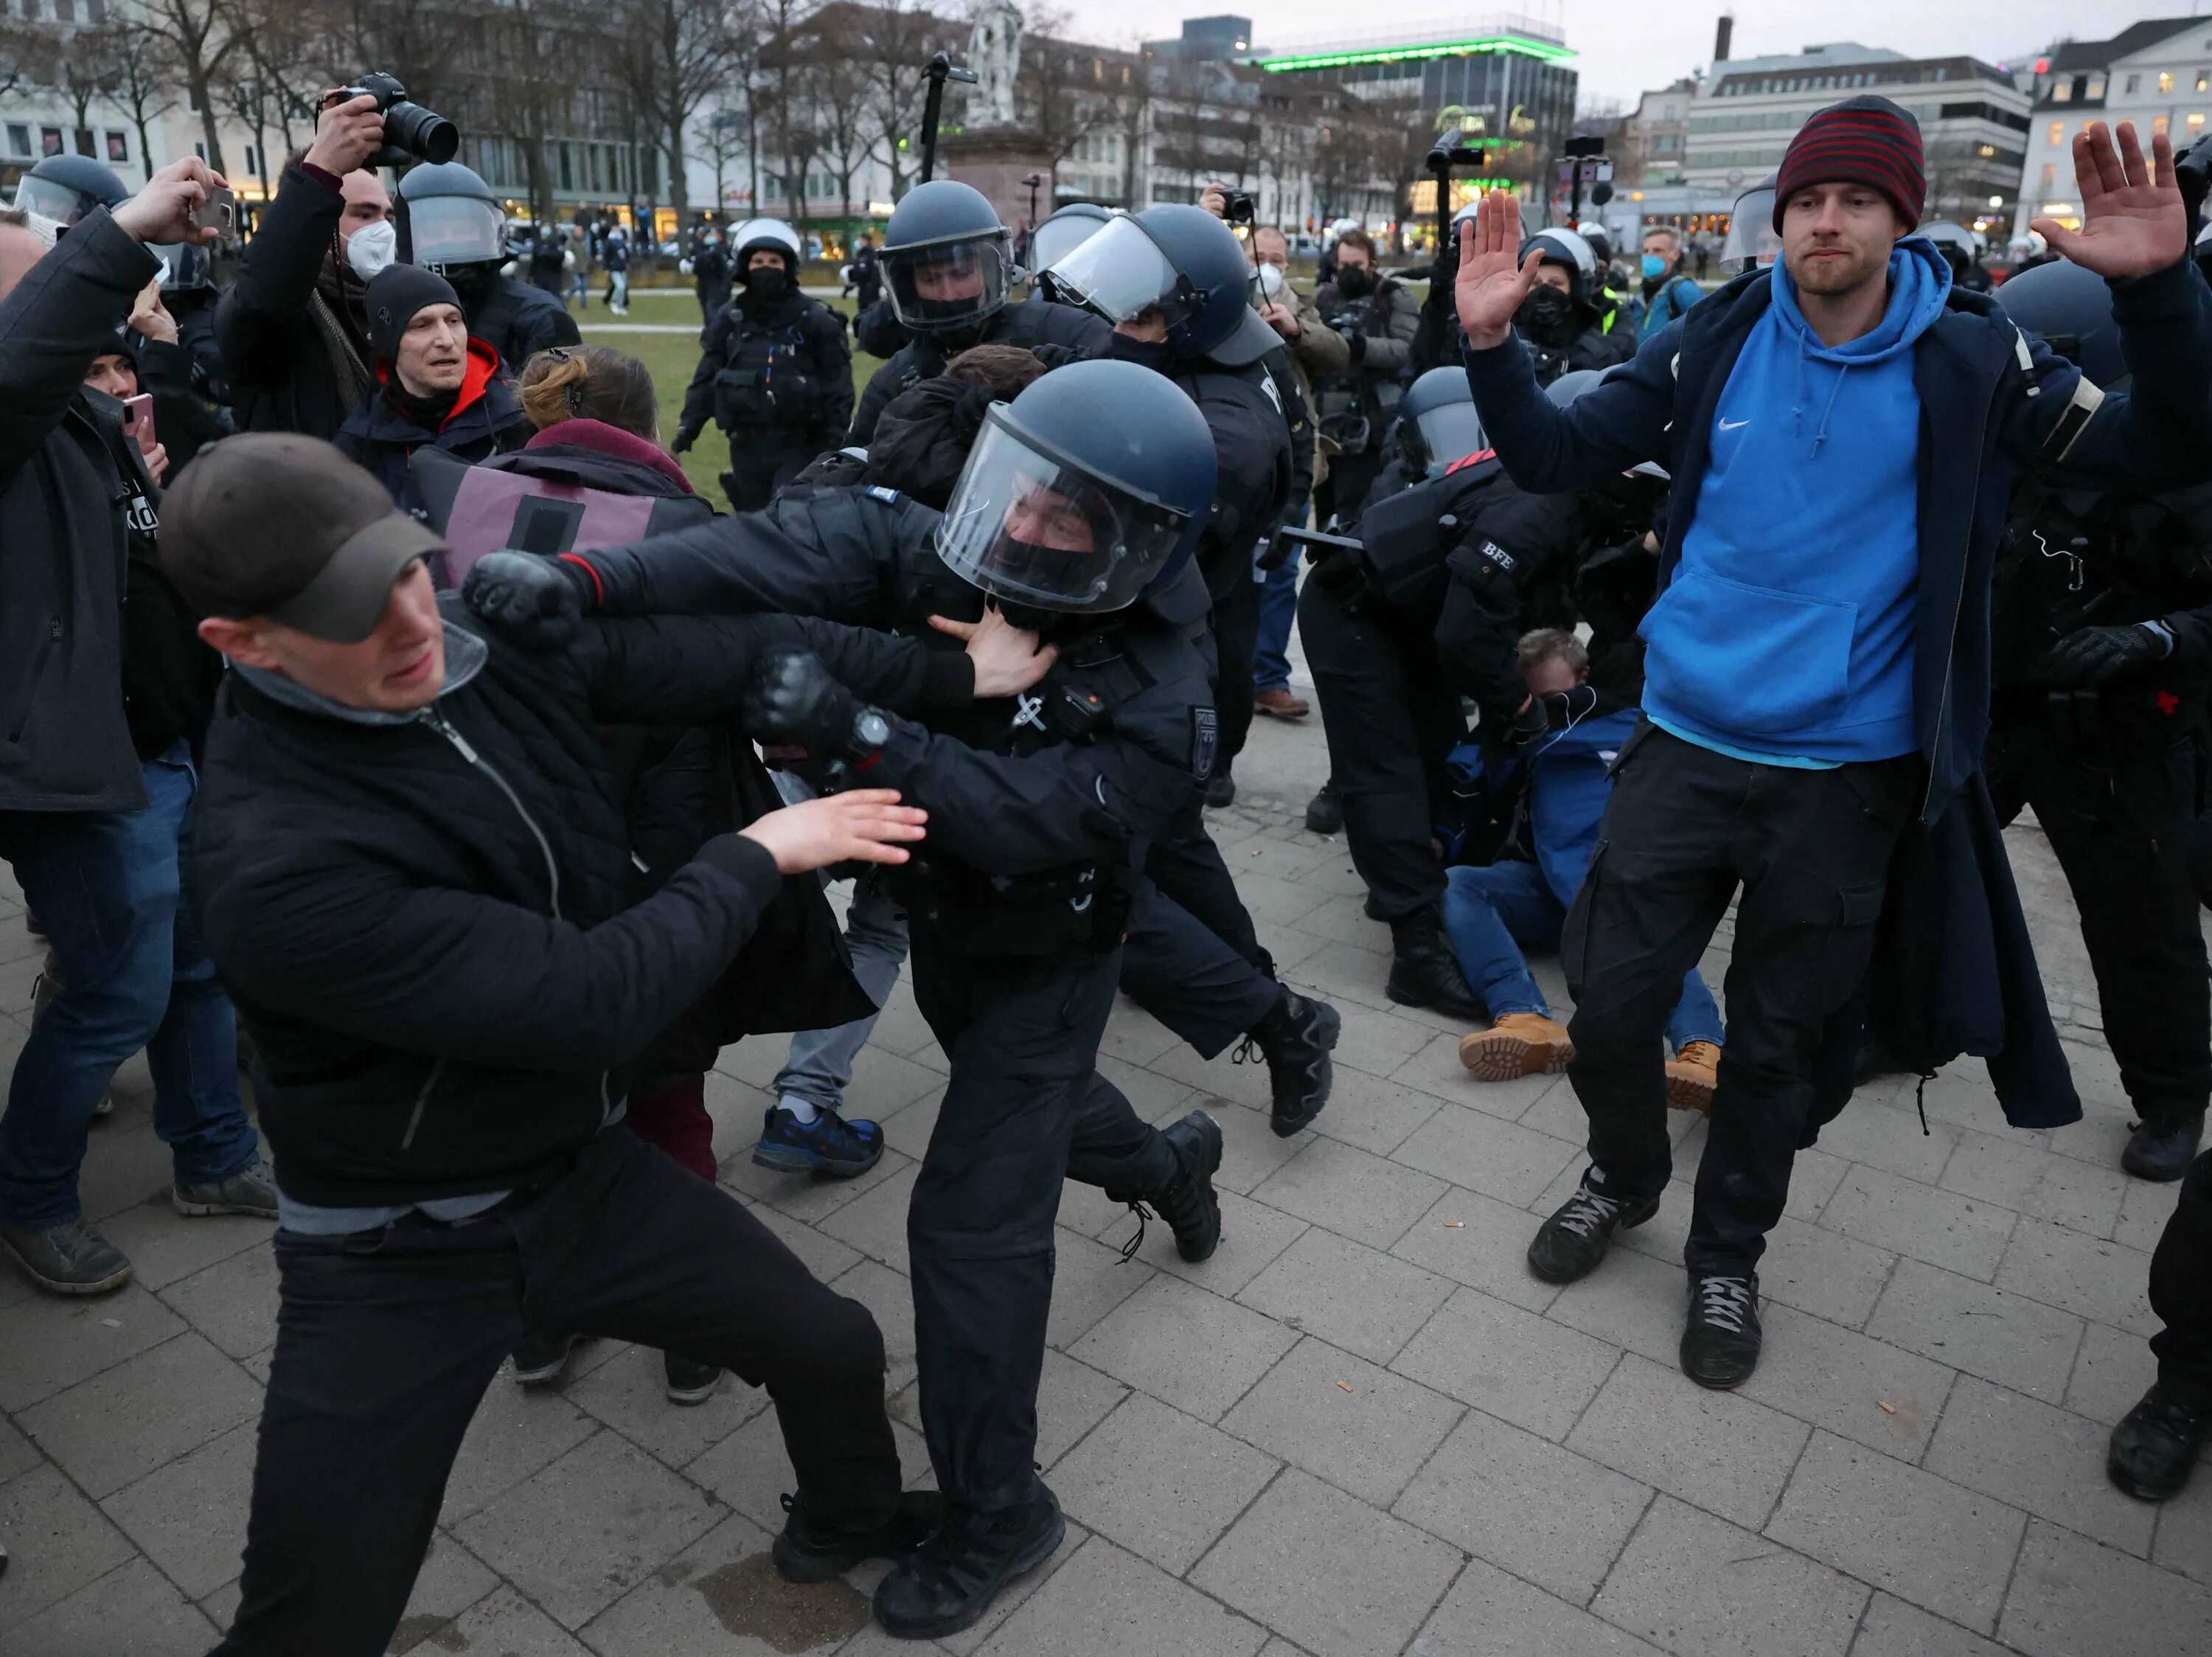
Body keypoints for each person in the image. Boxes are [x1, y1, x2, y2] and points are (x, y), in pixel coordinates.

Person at [169, 432, 1062, 1655]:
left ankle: (848, 1514)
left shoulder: (464, 642)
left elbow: (740, 651)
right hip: (400, 1246)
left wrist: (959, 681)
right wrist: (756, 856)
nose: (414, 621)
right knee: (314, 1616)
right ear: (243, 641)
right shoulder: (274, 862)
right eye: (351, 612)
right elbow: (589, 999)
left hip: (579, 1175)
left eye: (410, 571)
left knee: (830, 1340)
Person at [463, 360, 1238, 1638]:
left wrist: (865, 734)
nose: (1029, 530)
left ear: (1141, 547)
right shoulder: (959, 547)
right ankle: (1170, 1167)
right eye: (1024, 495)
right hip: (948, 942)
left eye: (1072, 521)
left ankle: (1002, 1509)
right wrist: (587, 585)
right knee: (1051, 1118)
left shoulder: (1167, 693)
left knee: (972, 1225)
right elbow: (770, 554)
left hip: (1049, 959)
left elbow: (1028, 818)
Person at [1453, 105, 2211, 1389]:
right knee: (1619, 1002)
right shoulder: (1714, 337)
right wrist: (1487, 343)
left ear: (1900, 218)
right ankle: (1625, 1178)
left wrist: (2162, 295)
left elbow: (2168, 447)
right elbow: (1559, 450)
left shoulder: (1982, 358)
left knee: (1779, 1044)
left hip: (1846, 775)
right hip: (1685, 742)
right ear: (1782, 216)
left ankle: (1728, 1253)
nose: (1827, 219)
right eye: (1809, 197)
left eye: (1859, 198)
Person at [0, 162, 274, 1297]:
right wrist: (115, 232)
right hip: (75, 762)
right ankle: (29, 1197)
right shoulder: (23, 403)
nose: (90, 313)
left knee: (199, 959)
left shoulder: (92, 415)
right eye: (57, 290)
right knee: (118, 982)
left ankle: (213, 1156)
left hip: (161, 736)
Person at [1989, 257, 2211, 1181]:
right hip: (2001, 701)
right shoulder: (2008, 434)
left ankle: (2172, 1093)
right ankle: (1902, 1017)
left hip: (2122, 730)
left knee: (2140, 926)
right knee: (1920, 870)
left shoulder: (2185, 457)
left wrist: (2159, 637)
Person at [1295, 367, 1587, 1021]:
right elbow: (1467, 635)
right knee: (1384, 769)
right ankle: (1415, 953)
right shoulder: (1535, 500)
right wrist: (1517, 704)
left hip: (1409, 613)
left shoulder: (1558, 495)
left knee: (1438, 747)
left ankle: (1423, 881)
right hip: (1354, 608)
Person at [1447, 628, 1726, 1107]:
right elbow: (1467, 785)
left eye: (1555, 697)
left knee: (1650, 929)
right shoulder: (1523, 731)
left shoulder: (1627, 721)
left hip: (1615, 875)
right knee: (1462, 886)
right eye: (1531, 700)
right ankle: (1522, 1013)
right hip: (1553, 883)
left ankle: (1703, 1048)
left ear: (1584, 677)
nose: (1544, 710)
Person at [849, 179, 1109, 443]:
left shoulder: (1055, 329)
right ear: (909, 287)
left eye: (961, 274)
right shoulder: (896, 381)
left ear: (990, 270)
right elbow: (850, 465)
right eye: (930, 280)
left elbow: (1130, 380)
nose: (948, 294)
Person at [215, 91, 395, 441]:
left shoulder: (393, 305)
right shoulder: (279, 316)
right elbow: (264, 295)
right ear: (318, 219)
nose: (382, 229)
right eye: (363, 214)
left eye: (388, 215)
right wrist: (321, 170)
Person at [675, 216, 852, 511]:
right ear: (745, 266)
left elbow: (838, 384)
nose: (765, 267)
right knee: (752, 519)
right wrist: (688, 427)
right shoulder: (731, 319)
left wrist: (834, 442)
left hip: (800, 443)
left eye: (774, 261)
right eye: (758, 261)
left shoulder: (815, 321)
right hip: (745, 444)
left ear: (788, 267)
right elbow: (706, 376)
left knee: (786, 513)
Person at [1248, 220, 1351, 723]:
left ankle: (1268, 679)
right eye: (1257, 256)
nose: (1268, 266)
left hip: (1293, 462)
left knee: (1281, 572)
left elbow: (1337, 354)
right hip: (1240, 459)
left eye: (1278, 259)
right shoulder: (1228, 298)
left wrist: (1294, 328)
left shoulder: (1301, 305)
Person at [335, 265, 528, 512]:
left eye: (454, 321)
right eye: (422, 325)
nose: (447, 341)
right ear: (386, 343)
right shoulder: (360, 446)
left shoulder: (519, 421)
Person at [397, 159, 582, 366]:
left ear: (488, 233)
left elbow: (566, 394)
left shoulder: (540, 317)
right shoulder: (389, 314)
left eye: (461, 231)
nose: (448, 240)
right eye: (433, 232)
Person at [1310, 227, 1419, 524]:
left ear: (1372, 264)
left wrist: (1361, 347)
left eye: (1357, 266)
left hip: (1371, 421)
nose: (1350, 273)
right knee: (1324, 504)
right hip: (1325, 419)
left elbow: (1406, 349)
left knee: (1355, 509)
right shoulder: (1322, 297)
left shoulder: (1393, 296)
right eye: (1344, 266)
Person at [1510, 227, 1633, 386]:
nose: (1545, 291)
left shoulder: (1599, 355)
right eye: (1535, 283)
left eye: (1556, 283)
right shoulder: (1502, 342)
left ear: (1575, 290)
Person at [1637, 225, 1705, 342]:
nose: (1649, 255)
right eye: (1646, 251)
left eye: (1657, 250)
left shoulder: (1684, 290)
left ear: (1675, 255)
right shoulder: (1639, 295)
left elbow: (1707, 328)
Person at [692, 224, 731, 319]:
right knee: (707, 312)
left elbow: (725, 268)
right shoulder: (700, 249)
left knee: (715, 312)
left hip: (719, 285)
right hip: (704, 286)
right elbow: (697, 269)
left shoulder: (722, 249)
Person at [526, 225, 568, 299]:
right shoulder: (538, 246)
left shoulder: (555, 245)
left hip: (554, 279)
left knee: (554, 299)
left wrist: (545, 253)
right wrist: (529, 276)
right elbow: (534, 262)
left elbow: (559, 256)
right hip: (541, 279)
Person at [602, 221, 631, 316]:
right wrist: (606, 268)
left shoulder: (622, 240)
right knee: (620, 286)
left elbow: (626, 253)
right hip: (614, 268)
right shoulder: (610, 241)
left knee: (621, 288)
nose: (618, 229)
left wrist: (627, 262)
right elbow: (605, 255)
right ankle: (615, 304)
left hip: (622, 267)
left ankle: (620, 305)